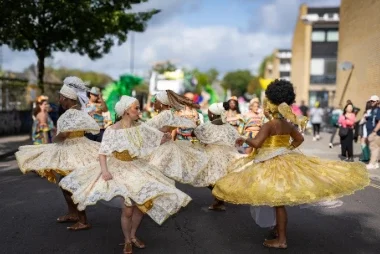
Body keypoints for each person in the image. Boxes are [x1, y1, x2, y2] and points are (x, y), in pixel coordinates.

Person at [212, 79, 369, 249]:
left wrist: (243, 139)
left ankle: (281, 239)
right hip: (284, 161)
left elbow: (256, 143)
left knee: (277, 202)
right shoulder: (287, 124)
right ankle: (276, 231)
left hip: (270, 164)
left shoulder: (269, 125)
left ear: (271, 105)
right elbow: (300, 138)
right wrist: (286, 148)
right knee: (275, 200)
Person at [59, 95, 191, 254]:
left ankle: (133, 235)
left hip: (137, 168)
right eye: (136, 108)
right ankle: (127, 240)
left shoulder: (140, 127)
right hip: (118, 169)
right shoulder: (112, 130)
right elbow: (103, 153)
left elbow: (154, 138)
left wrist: (165, 137)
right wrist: (105, 170)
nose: (139, 111)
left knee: (140, 207)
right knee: (128, 209)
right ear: (126, 111)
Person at [15, 76, 100, 230]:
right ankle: (73, 213)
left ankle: (83, 220)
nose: (59, 100)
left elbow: (65, 134)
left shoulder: (69, 114)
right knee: (65, 184)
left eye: (61, 97)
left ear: (67, 98)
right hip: (77, 147)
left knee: (70, 186)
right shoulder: (79, 112)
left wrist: (55, 137)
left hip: (73, 150)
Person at [190, 102, 245, 210]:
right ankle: (219, 200)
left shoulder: (207, 126)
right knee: (217, 179)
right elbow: (237, 139)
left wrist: (196, 126)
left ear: (212, 115)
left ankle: (219, 201)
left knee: (209, 179)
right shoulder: (228, 127)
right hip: (225, 154)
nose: (208, 114)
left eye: (209, 113)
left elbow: (194, 133)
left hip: (212, 154)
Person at [147, 90, 209, 184]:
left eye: (156, 101)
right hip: (164, 146)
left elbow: (148, 128)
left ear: (161, 104)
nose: (154, 103)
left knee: (155, 175)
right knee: (160, 177)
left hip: (162, 149)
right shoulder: (170, 114)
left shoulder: (165, 114)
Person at [366, 95, 380, 170]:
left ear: (377, 101)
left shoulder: (378, 110)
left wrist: (374, 131)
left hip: (375, 133)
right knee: (376, 148)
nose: (371, 102)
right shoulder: (373, 110)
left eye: (373, 101)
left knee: (373, 148)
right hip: (372, 132)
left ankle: (372, 163)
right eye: (370, 101)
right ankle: (376, 163)